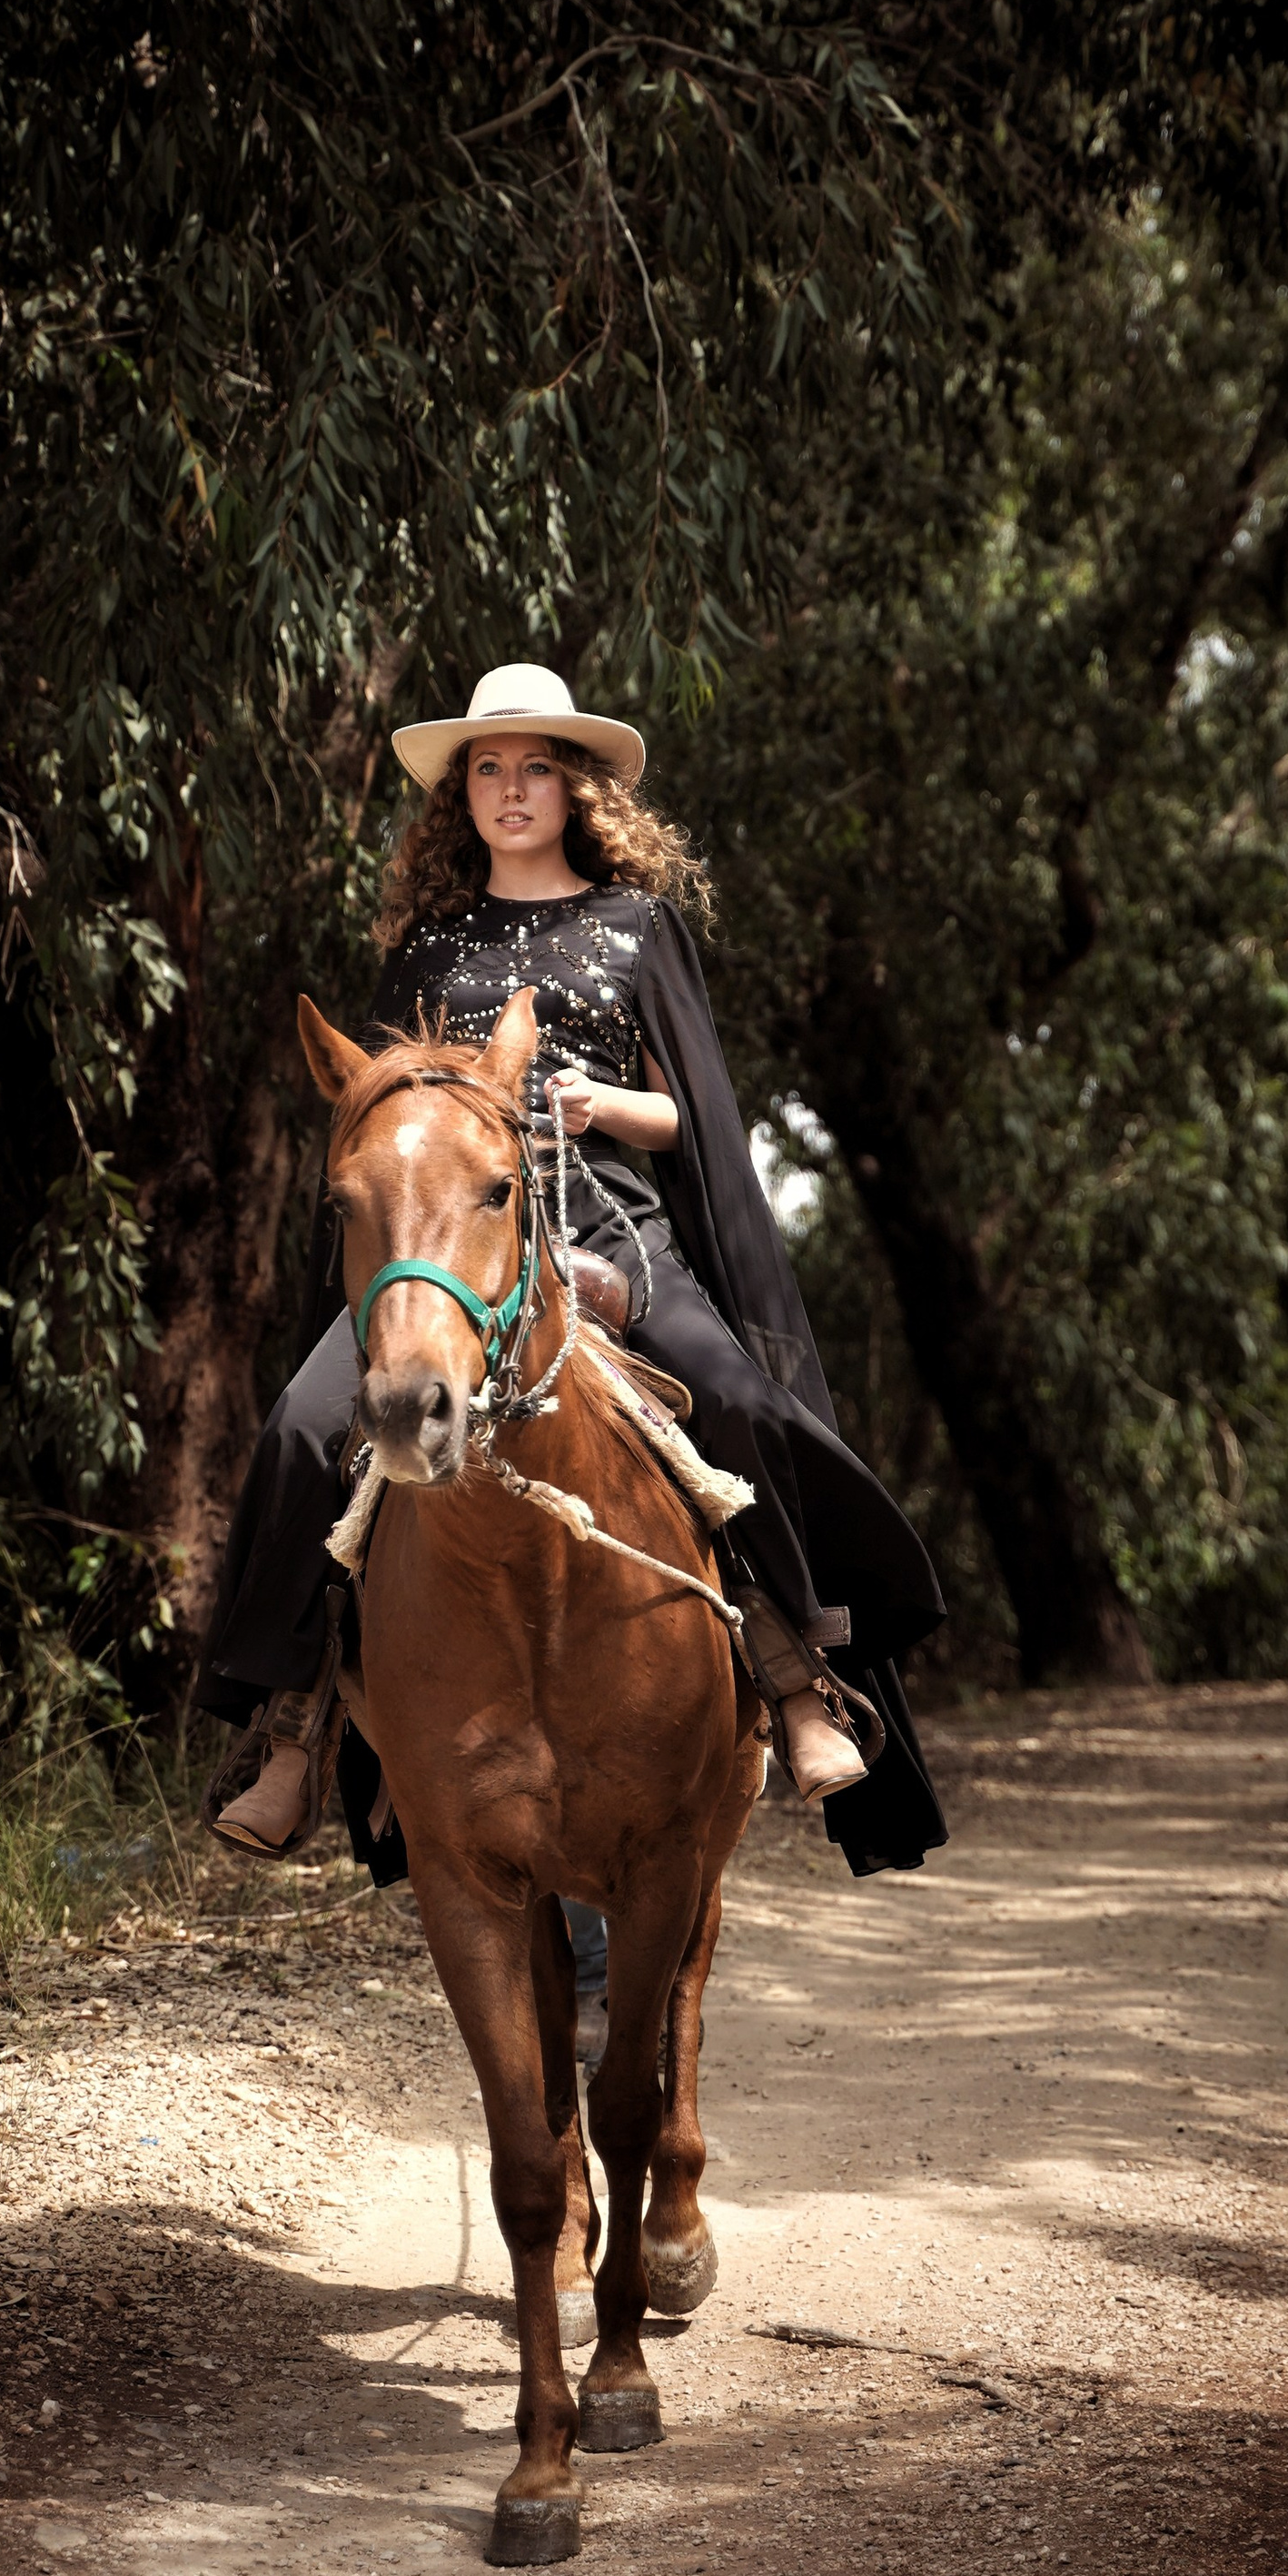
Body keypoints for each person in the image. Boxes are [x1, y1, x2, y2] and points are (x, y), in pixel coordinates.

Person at [201, 661, 948, 1883]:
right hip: (452, 1250)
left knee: (745, 1403)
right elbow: (385, 1126)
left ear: (573, 788)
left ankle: (799, 1675)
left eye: (532, 767)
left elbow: (698, 1117)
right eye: (486, 770)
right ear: (463, 799)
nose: (508, 790)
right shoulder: (427, 950)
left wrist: (603, 1102)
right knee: (299, 1425)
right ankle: (293, 1727)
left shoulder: (638, 929)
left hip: (617, 1238)